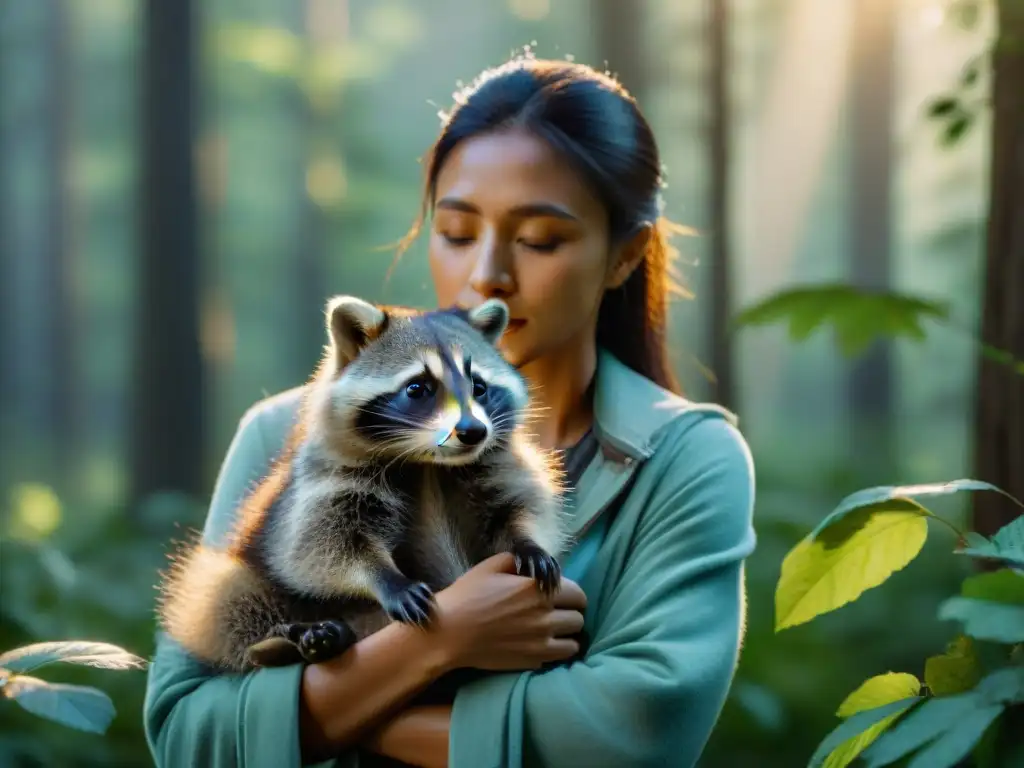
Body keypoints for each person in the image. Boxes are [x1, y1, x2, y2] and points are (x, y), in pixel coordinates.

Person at [143, 55, 756, 768]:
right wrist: (437, 643)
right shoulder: (282, 433)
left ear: (624, 256)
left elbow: (635, 738)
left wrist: (324, 713)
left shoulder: (685, 458)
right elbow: (187, 733)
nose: (486, 276)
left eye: (539, 241)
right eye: (458, 232)